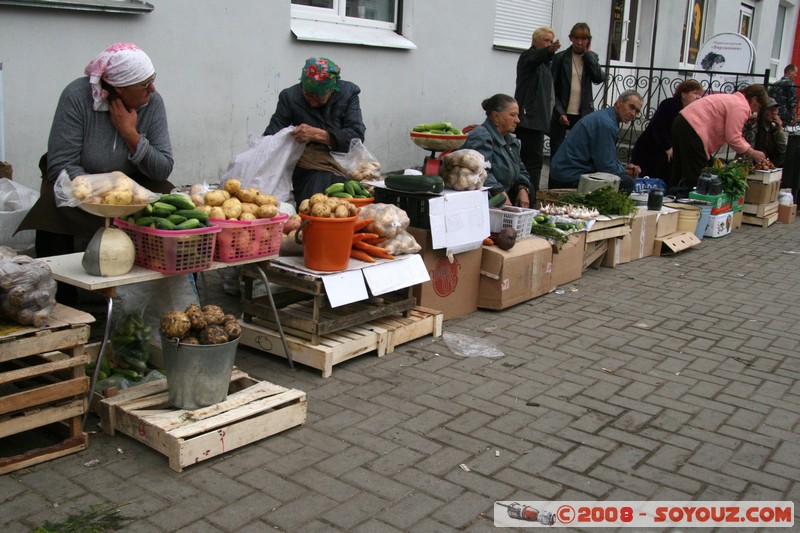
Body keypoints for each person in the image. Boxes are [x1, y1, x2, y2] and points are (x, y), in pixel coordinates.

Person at [16, 42, 174, 305]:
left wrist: (130, 134)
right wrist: (102, 190)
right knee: (51, 210)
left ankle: (150, 297)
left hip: (131, 186)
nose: (152, 89)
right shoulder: (77, 96)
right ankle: (63, 302)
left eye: (152, 81)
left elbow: (163, 166)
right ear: (120, 88)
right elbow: (61, 163)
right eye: (145, 85)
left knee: (167, 198)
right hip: (82, 186)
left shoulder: (152, 103)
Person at [263, 57, 366, 205]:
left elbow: (356, 135)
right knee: (314, 192)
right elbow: (271, 135)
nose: (312, 102)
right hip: (308, 167)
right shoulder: (290, 97)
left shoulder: (348, 93)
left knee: (346, 192)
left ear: (332, 89)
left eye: (318, 97)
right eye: (308, 96)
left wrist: (317, 135)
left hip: (343, 163)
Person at [670, 84, 769, 193]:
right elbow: (733, 137)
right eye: (757, 106)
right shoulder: (741, 106)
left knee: (679, 170)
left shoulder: (733, 100)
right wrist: (752, 152)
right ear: (754, 99)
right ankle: (696, 206)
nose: (755, 111)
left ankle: (671, 200)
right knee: (698, 177)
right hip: (692, 127)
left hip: (682, 121)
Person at [548, 90, 643, 195]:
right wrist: (625, 172)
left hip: (565, 172)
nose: (633, 114)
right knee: (627, 182)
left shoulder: (606, 117)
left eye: (637, 111)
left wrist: (622, 168)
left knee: (622, 177)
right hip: (569, 176)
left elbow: (605, 159)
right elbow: (606, 166)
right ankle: (604, 211)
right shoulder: (606, 123)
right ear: (619, 102)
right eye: (631, 107)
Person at [462, 94, 532, 208]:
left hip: (505, 193)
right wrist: (500, 193)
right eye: (512, 115)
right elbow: (480, 170)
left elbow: (521, 169)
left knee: (530, 190)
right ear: (495, 116)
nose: (518, 120)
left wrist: (523, 188)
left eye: (517, 115)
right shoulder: (481, 136)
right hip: (486, 197)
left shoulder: (511, 141)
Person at [549, 22, 606, 158]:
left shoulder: (591, 58)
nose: (579, 42)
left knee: (579, 152)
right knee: (557, 152)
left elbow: (599, 78)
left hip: (583, 113)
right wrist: (559, 111)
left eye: (583, 39)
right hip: (562, 112)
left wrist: (589, 55)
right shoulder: (560, 58)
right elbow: (551, 88)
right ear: (571, 38)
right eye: (576, 38)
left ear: (588, 40)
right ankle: (554, 179)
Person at [514, 26, 560, 192]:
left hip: (538, 121)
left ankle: (530, 194)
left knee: (533, 163)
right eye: (546, 40)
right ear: (535, 41)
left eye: (551, 41)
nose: (549, 44)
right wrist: (548, 51)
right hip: (528, 120)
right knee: (531, 163)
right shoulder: (529, 57)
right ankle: (529, 195)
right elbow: (534, 58)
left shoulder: (546, 64)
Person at [631, 80, 703, 182]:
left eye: (699, 94)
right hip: (650, 150)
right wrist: (667, 146)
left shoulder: (690, 111)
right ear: (683, 94)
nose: (698, 97)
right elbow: (658, 125)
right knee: (645, 181)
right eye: (695, 93)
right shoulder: (670, 104)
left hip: (664, 153)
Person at [743, 97, 787, 167]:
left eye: (775, 110)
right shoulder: (754, 125)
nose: (774, 113)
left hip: (770, 165)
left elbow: (783, 150)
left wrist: (779, 130)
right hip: (752, 164)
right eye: (770, 110)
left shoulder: (775, 129)